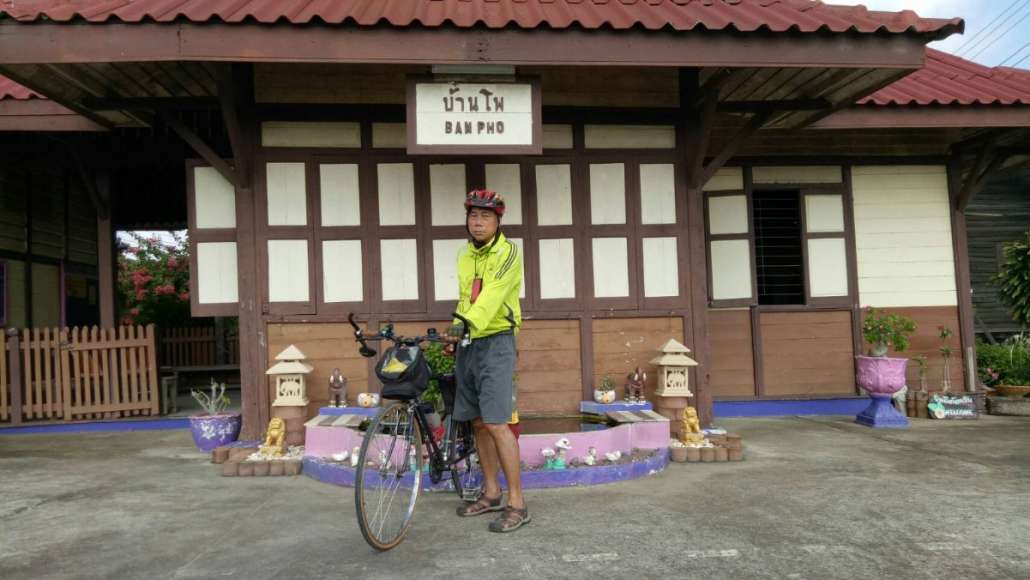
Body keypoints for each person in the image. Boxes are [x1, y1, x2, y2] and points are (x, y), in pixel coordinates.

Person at [444, 188, 529, 533]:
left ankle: (517, 503)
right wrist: (457, 333)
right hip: (470, 342)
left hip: (496, 341)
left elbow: (492, 296)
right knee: (478, 421)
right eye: (473, 216)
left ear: (497, 221)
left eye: (485, 217)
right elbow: (466, 297)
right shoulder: (465, 255)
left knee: (497, 422)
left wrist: (464, 322)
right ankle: (491, 492)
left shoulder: (508, 252)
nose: (478, 223)